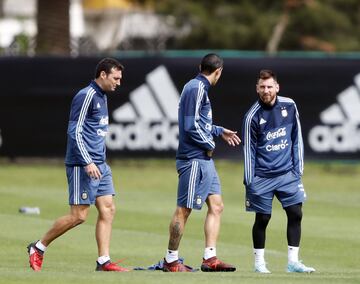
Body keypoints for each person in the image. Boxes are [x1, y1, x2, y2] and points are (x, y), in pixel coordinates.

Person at [27, 58, 129, 272]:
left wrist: (98, 160)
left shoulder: (102, 96)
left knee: (108, 209)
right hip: (82, 165)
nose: (119, 82)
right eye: (115, 78)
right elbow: (75, 132)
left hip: (100, 164)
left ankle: (103, 261)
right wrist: (88, 161)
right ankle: (38, 247)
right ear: (103, 75)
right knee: (79, 216)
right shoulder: (86, 96)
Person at [162, 53, 241, 272]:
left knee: (217, 206)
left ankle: (210, 259)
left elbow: (200, 122)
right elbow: (189, 126)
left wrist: (218, 130)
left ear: (200, 66)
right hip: (193, 159)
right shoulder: (196, 88)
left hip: (204, 161)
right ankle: (171, 260)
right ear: (219, 71)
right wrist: (209, 143)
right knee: (183, 210)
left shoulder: (198, 88)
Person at [241, 69, 316, 273]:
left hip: (287, 175)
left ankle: (293, 262)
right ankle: (259, 264)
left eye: (269, 86)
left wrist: (297, 168)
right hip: (262, 176)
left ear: (277, 87)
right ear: (257, 88)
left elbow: (296, 137)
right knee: (263, 219)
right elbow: (249, 150)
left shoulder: (289, 105)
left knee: (295, 213)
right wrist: (250, 180)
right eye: (262, 87)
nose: (266, 90)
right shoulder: (251, 117)